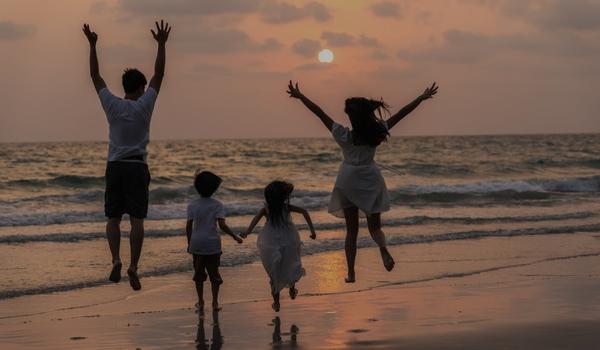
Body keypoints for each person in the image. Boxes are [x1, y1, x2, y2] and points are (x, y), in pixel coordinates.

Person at [286, 80, 438, 283]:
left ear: (352, 117)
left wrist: (301, 96)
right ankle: (383, 250)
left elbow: (319, 113)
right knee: (375, 227)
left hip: (348, 180)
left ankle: (351, 273)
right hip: (369, 179)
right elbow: (402, 113)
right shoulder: (376, 131)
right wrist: (420, 98)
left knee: (352, 232)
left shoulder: (343, 135)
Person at [82, 20, 171, 291]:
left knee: (112, 219)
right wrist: (161, 44)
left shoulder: (112, 104)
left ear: (124, 87)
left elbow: (95, 77)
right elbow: (160, 74)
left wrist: (93, 45)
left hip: (115, 166)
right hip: (136, 167)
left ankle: (116, 259)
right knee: (137, 221)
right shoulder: (145, 105)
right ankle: (133, 265)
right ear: (141, 88)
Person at [241, 181, 317, 312]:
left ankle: (276, 303)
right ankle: (292, 289)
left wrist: (247, 232)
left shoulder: (267, 209)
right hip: (289, 239)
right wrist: (312, 231)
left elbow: (255, 220)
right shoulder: (286, 207)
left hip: (271, 241)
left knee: (274, 272)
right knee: (291, 264)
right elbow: (305, 212)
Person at [186, 171, 243, 314]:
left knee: (198, 275)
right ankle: (215, 302)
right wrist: (235, 237)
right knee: (214, 274)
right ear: (214, 188)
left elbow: (188, 226)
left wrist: (189, 244)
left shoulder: (192, 205)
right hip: (212, 244)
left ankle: (200, 301)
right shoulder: (218, 205)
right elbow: (222, 226)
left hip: (197, 244)